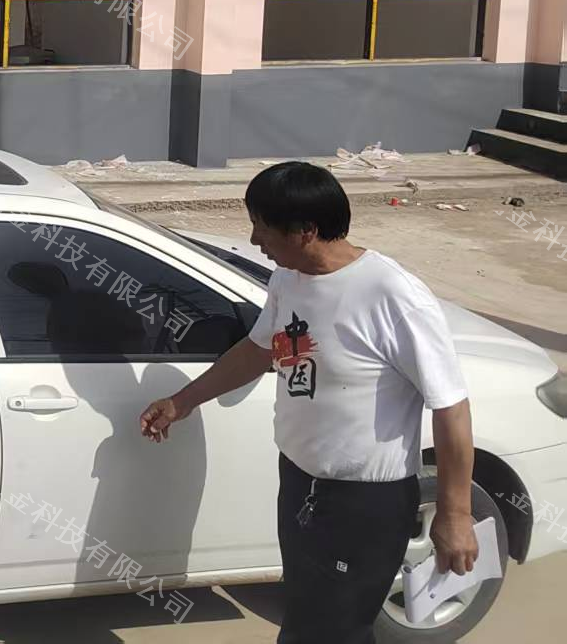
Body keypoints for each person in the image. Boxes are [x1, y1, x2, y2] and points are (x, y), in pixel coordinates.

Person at [139, 161, 478, 644]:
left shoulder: (392, 295)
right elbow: (259, 350)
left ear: (306, 230)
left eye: (262, 227)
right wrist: (183, 401)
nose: (254, 239)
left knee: (334, 630)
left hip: (363, 503)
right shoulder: (288, 279)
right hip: (300, 484)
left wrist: (455, 514)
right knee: (304, 619)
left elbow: (451, 407)